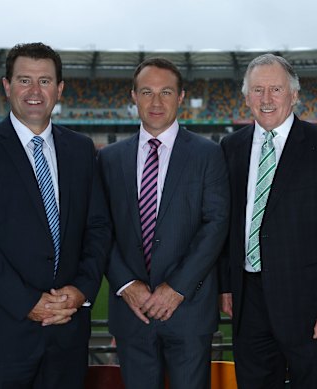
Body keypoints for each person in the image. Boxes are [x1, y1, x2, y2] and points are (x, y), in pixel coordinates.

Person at [0, 42, 111, 389]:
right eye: (24, 80)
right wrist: (28, 302)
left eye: (45, 81)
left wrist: (81, 290)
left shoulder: (81, 149)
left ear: (59, 88)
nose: (35, 91)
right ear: (7, 86)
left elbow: (97, 228)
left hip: (66, 335)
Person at [218, 53, 317, 389]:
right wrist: (226, 284)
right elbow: (226, 225)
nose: (266, 99)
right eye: (257, 90)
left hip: (309, 307)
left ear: (294, 95)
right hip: (247, 302)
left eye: (276, 90)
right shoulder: (230, 148)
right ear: (246, 96)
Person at [98, 58, 229, 389]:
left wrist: (176, 288)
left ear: (181, 96)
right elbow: (99, 229)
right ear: (133, 96)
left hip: (188, 310)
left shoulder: (208, 154)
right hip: (132, 311)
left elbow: (215, 225)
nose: (156, 102)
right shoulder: (109, 159)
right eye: (147, 92)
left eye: (166, 92)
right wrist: (127, 285)